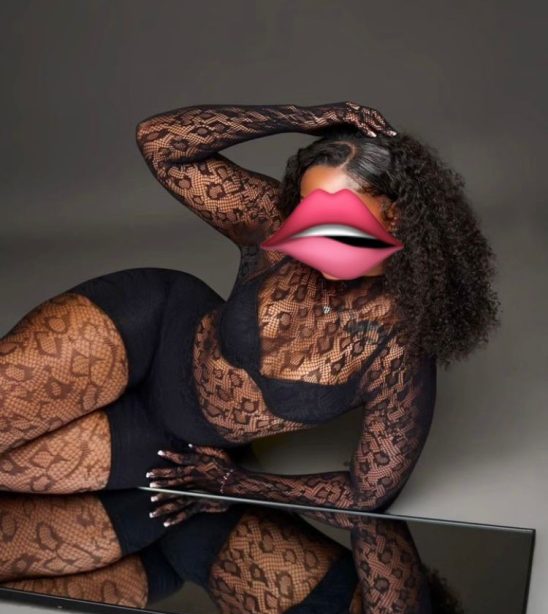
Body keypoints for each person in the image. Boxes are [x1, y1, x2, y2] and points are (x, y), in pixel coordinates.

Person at [0, 102, 500, 523]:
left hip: (179, 439)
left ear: (396, 215)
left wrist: (234, 483)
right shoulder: (275, 224)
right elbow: (160, 144)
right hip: (146, 327)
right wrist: (301, 118)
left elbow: (366, 495)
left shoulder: (400, 347)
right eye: (308, 209)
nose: (314, 228)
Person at [0, 489, 478, 614]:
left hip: (170, 569)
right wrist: (239, 482)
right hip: (183, 510)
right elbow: (370, 512)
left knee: (25, 611)